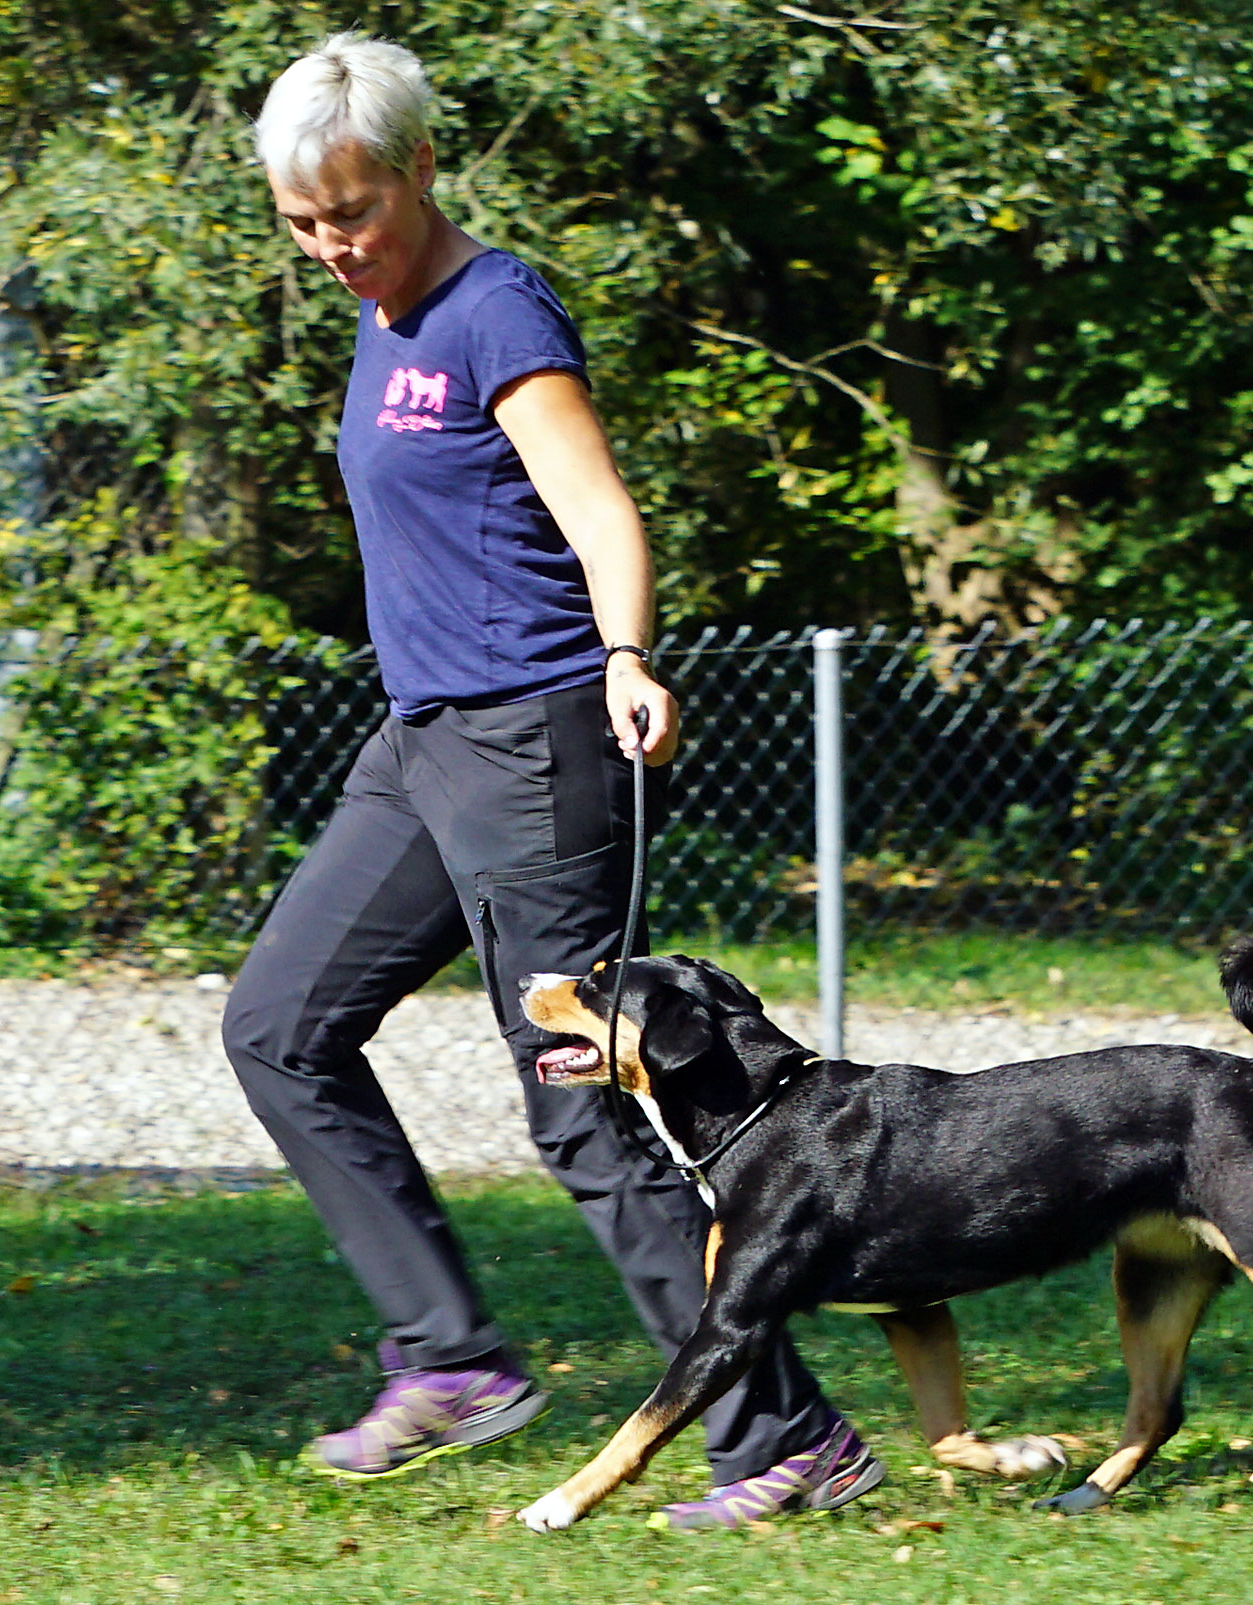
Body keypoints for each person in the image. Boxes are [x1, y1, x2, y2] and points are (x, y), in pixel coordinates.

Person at [224, 32, 882, 1530]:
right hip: (422, 746)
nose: (332, 247)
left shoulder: (492, 307)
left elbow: (598, 510)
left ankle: (787, 1440)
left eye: (355, 214)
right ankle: (450, 1356)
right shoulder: (382, 320)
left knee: (580, 1110)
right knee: (278, 1023)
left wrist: (630, 651)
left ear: (420, 171)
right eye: (304, 223)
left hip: (533, 739)